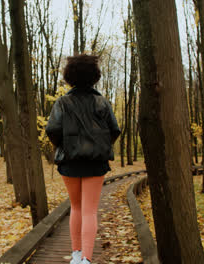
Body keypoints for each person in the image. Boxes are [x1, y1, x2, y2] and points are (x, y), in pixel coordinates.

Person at [46, 54, 121, 264]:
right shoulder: (101, 102)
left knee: (76, 207)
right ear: (94, 76)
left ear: (70, 76)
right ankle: (87, 260)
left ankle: (76, 256)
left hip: (69, 161)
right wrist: (98, 145)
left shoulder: (62, 103)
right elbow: (114, 130)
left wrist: (66, 145)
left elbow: (52, 129)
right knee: (90, 210)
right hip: (96, 162)